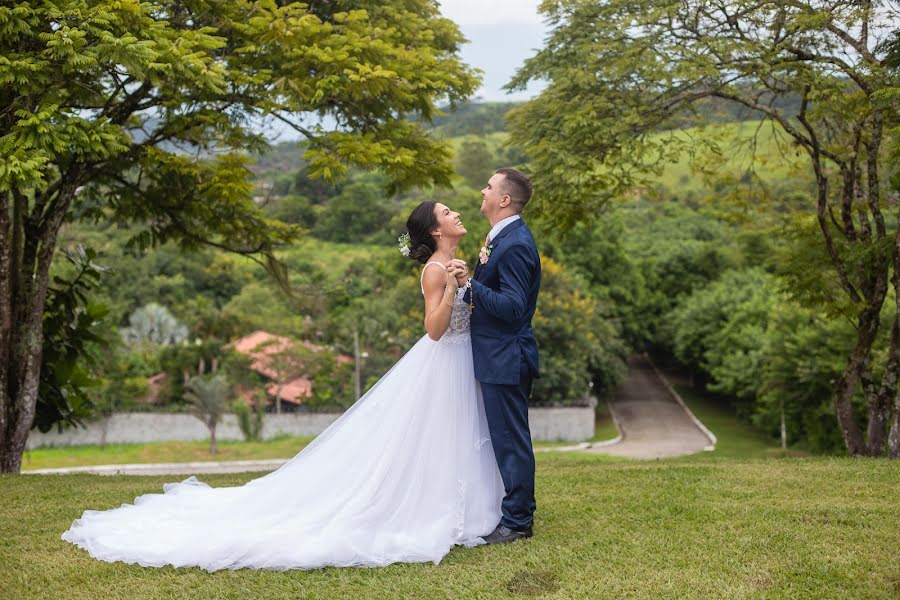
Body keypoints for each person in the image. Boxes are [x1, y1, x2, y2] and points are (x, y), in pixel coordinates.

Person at [61, 201, 504, 571]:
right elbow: (433, 329)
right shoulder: (434, 270)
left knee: (458, 437)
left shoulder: (462, 260)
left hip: (463, 360)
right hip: (443, 358)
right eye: (448, 211)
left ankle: (469, 506)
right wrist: (452, 287)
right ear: (434, 228)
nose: (458, 213)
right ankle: (434, 512)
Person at [453, 168, 541, 545]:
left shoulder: (517, 243)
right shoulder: (500, 238)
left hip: (507, 357)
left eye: (488, 186)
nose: (482, 190)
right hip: (496, 354)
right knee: (504, 438)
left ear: (504, 200)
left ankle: (518, 522)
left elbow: (514, 306)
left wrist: (469, 286)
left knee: (511, 440)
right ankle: (513, 512)